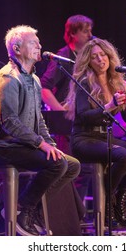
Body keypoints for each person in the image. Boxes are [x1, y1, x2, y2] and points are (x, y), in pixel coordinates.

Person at [0, 25, 80, 236]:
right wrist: (40, 144)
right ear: (17, 48)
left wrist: (50, 145)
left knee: (72, 165)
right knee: (57, 164)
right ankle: (21, 210)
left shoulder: (33, 79)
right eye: (34, 43)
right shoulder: (7, 78)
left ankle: (27, 210)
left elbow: (38, 119)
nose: (40, 46)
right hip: (0, 145)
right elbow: (10, 123)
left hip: (20, 144)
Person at [64, 38, 126, 227]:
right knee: (123, 155)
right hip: (84, 139)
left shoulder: (115, 81)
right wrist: (109, 106)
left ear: (110, 57)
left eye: (103, 55)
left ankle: (120, 197)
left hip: (105, 137)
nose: (100, 60)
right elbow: (84, 116)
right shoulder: (84, 82)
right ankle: (108, 201)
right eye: (95, 57)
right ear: (88, 61)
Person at [41, 14, 94, 202]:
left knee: (86, 170)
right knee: (75, 170)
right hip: (67, 125)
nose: (90, 34)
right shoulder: (63, 56)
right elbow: (43, 87)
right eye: (85, 31)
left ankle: (81, 216)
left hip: (83, 119)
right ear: (72, 33)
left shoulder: (87, 57)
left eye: (90, 30)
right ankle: (70, 218)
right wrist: (61, 113)